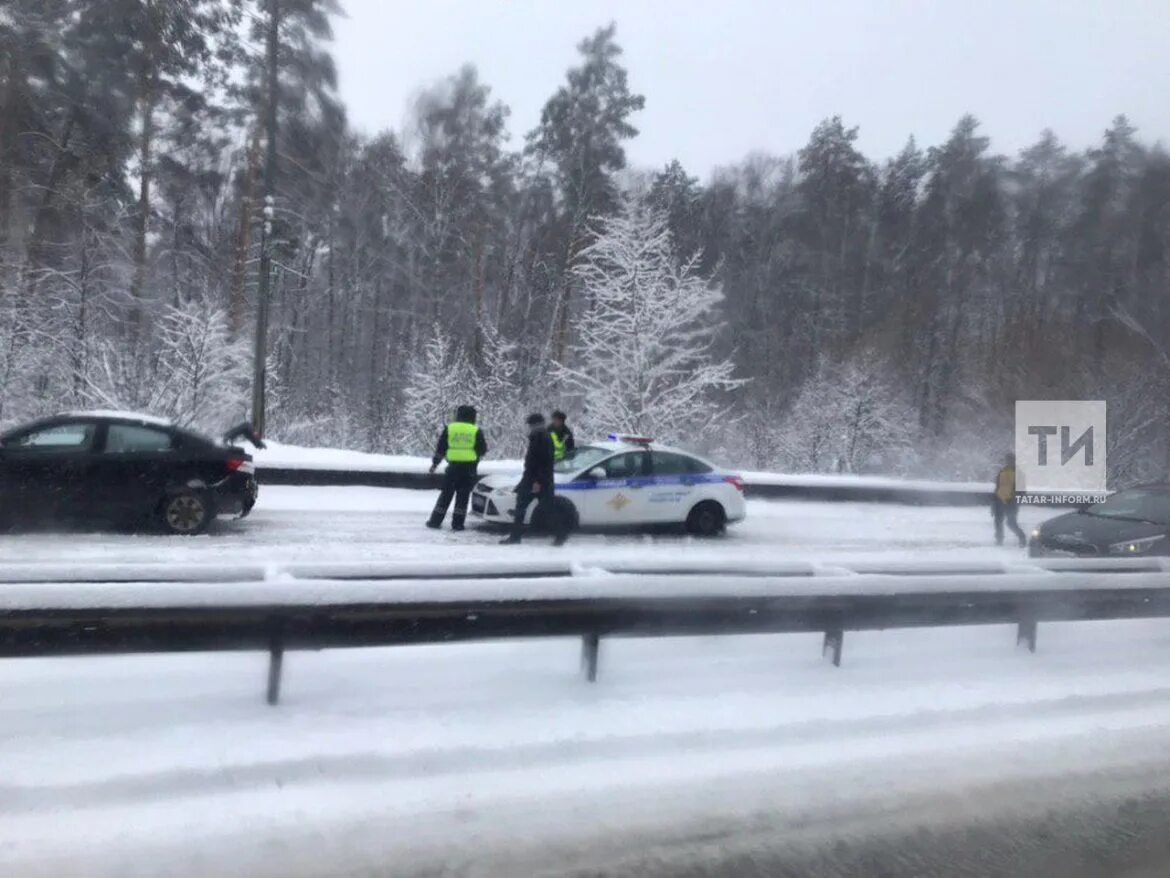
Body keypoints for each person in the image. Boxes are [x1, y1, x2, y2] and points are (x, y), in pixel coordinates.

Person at [500, 412, 569, 546]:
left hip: (536, 481)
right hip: (539, 480)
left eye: (530, 425)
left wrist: (537, 481)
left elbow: (542, 462)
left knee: (526, 507)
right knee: (544, 508)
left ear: (535, 425)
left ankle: (516, 537)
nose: (529, 428)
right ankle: (560, 534)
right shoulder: (541, 436)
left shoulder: (540, 438)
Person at [426, 405, 487, 531]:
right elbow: (483, 449)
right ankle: (458, 524)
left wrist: (435, 464)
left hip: (453, 468)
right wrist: (474, 457)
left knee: (446, 495)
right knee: (463, 497)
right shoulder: (475, 430)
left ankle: (435, 522)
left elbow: (441, 448)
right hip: (469, 469)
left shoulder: (450, 428)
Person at [993, 452, 1027, 547]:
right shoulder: (1002, 472)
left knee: (1011, 523)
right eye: (1007, 460)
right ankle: (999, 540)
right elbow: (997, 487)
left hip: (1011, 503)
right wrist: (994, 502)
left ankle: (1022, 537)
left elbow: (1022, 491)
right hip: (999, 501)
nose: (1008, 461)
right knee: (998, 522)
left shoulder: (1019, 474)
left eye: (1010, 460)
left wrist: (1015, 501)